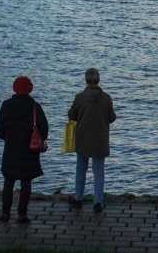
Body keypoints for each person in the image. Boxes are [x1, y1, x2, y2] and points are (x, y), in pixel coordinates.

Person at [0, 76, 49, 224]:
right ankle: (22, 214)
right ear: (30, 89)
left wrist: (8, 138)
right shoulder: (34, 107)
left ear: (14, 88)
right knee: (26, 182)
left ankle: (5, 213)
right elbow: (44, 129)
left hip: (10, 150)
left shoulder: (6, 105)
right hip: (29, 151)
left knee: (8, 181)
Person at [67, 68, 116, 213]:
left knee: (81, 168)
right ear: (98, 80)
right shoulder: (106, 98)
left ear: (86, 81)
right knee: (99, 170)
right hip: (100, 139)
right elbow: (112, 118)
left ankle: (78, 199)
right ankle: (98, 203)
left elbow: (72, 115)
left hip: (83, 138)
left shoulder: (80, 97)